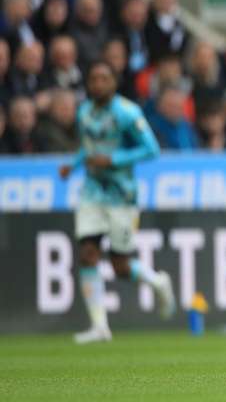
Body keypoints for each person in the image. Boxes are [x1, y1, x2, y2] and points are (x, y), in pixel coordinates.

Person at [59, 61, 175, 344]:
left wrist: (114, 160)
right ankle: (99, 326)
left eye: (104, 78)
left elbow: (151, 149)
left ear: (114, 82)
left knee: (120, 266)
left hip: (122, 196)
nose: (98, 83)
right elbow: (88, 150)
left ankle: (158, 282)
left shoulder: (127, 112)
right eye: (94, 78)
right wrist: (73, 165)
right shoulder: (84, 112)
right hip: (91, 193)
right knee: (88, 253)